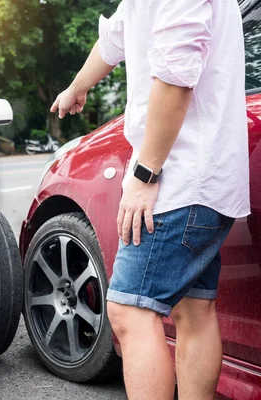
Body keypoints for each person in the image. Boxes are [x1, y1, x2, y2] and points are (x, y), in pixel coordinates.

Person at [51, 1, 250, 399]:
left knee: (130, 311)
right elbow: (115, 37)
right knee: (194, 310)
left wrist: (145, 173)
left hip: (179, 179)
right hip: (202, 180)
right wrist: (78, 86)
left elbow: (176, 78)